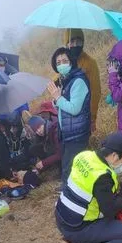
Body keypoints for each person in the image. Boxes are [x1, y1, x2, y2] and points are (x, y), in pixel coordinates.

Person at [55, 132, 122, 243]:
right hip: (77, 228)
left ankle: (82, 241)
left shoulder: (84, 156)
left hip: (62, 217)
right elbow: (110, 210)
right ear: (114, 156)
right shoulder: (102, 177)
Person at [47, 47, 91, 184]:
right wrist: (56, 100)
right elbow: (62, 107)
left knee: (70, 170)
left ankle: (68, 199)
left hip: (76, 134)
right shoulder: (65, 80)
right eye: (58, 62)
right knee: (69, 168)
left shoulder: (78, 81)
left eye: (64, 61)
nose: (61, 65)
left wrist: (58, 98)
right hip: (67, 132)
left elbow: (74, 109)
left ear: (71, 62)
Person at [62, 29, 101, 133]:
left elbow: (95, 92)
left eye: (79, 41)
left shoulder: (90, 63)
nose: (75, 44)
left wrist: (93, 118)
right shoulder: (64, 61)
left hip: (84, 116)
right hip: (66, 116)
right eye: (72, 41)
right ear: (66, 43)